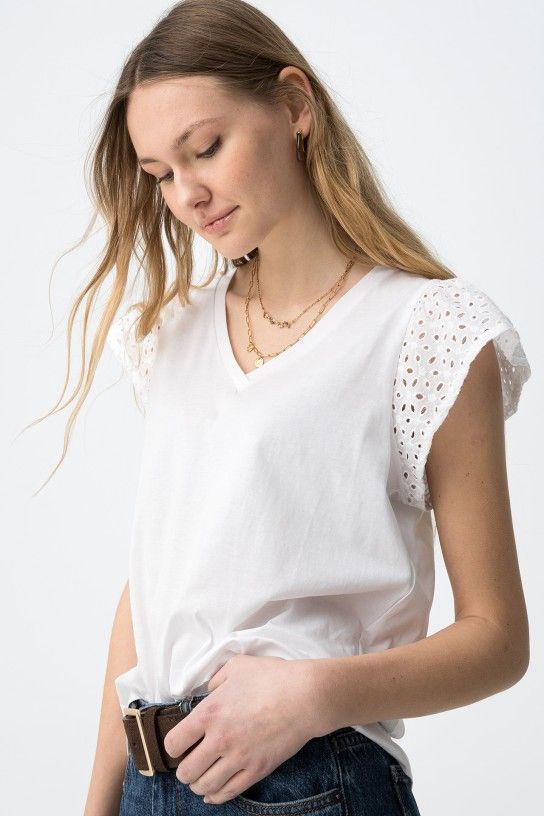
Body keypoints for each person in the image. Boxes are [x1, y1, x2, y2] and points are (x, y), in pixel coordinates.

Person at [32, 1, 528, 814]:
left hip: (311, 782)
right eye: (160, 175)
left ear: (295, 105)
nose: (187, 194)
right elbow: (155, 592)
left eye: (205, 148)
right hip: (152, 783)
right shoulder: (172, 335)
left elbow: (498, 641)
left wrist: (312, 694)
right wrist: (99, 803)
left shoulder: (428, 330)